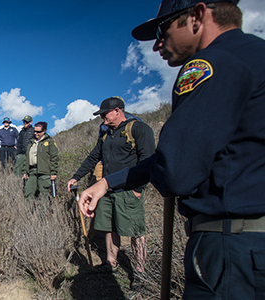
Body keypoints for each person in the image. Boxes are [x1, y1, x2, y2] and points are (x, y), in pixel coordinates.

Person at [78, 1, 265, 298]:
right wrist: (107, 182)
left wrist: (169, 146)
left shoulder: (211, 64)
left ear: (197, 15)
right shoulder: (254, 55)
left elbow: (176, 171)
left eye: (163, 30)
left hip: (233, 245)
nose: (157, 46)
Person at [67, 97, 155, 287]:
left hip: (129, 189)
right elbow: (93, 157)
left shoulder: (138, 129)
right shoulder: (106, 135)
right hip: (106, 190)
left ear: (117, 111)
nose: (102, 118)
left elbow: (149, 161)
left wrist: (138, 189)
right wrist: (77, 176)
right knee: (109, 228)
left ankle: (140, 272)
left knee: (136, 231)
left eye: (104, 114)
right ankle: (111, 263)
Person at [22, 122, 59, 200]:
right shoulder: (31, 142)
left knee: (43, 195)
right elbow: (27, 158)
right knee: (28, 192)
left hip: (44, 172)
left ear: (44, 131)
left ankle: (44, 211)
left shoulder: (49, 142)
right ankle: (28, 211)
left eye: (38, 132)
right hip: (32, 171)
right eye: (34, 131)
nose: (36, 133)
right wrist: (25, 171)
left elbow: (54, 158)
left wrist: (53, 172)